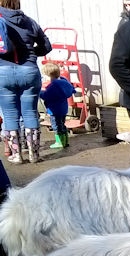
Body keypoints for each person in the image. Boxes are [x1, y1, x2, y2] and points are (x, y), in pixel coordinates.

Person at [0, 0, 52, 164]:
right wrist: (31, 52)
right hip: (29, 71)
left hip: (4, 72)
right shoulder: (29, 21)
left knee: (10, 115)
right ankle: (34, 154)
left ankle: (16, 154)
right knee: (30, 113)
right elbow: (46, 46)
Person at [39, 63, 75, 149]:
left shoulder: (53, 86)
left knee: (56, 126)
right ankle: (65, 141)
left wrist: (39, 92)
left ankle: (60, 142)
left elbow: (46, 96)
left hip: (54, 110)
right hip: (63, 108)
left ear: (49, 75)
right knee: (62, 124)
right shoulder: (63, 82)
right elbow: (71, 90)